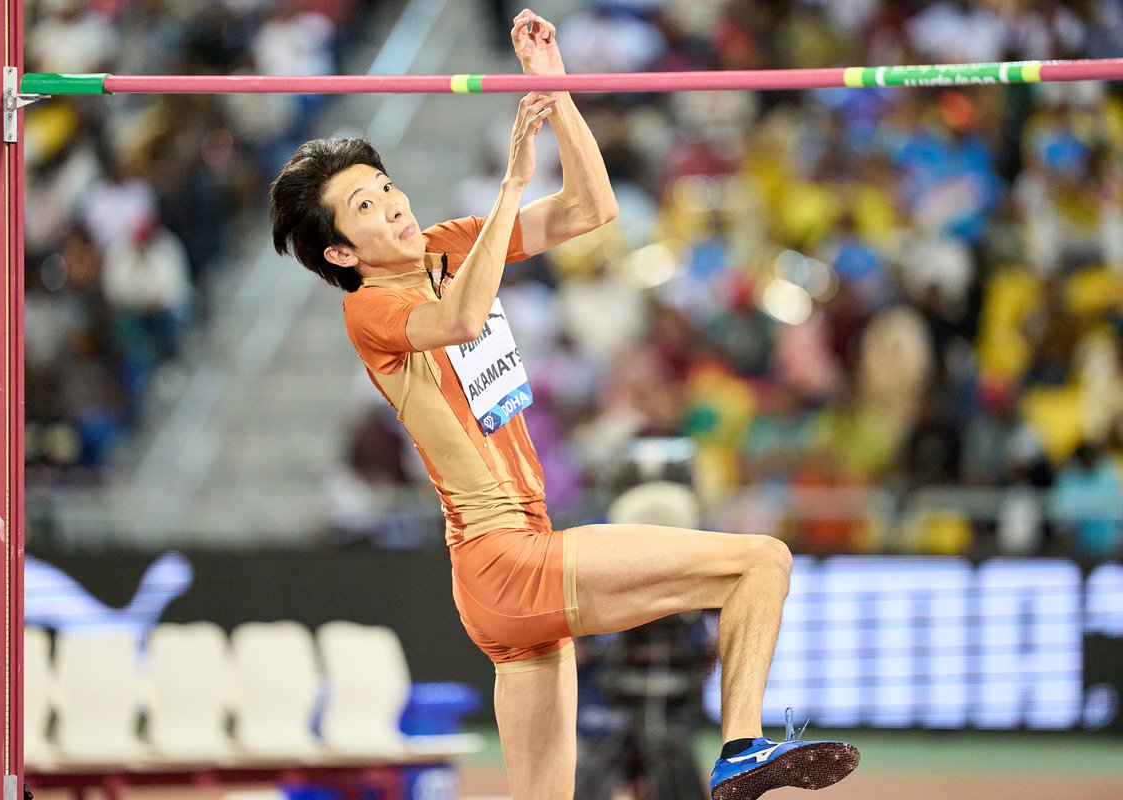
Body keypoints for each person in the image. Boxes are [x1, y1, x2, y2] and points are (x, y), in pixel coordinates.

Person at [269, 9, 859, 799]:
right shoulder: (367, 308)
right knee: (760, 561)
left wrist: (555, 88)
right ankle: (741, 747)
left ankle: (739, 752)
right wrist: (513, 182)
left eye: (385, 187)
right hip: (506, 561)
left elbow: (591, 208)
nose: (393, 204)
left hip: (509, 568)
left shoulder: (448, 246)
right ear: (340, 251)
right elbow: (461, 319)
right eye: (366, 207)